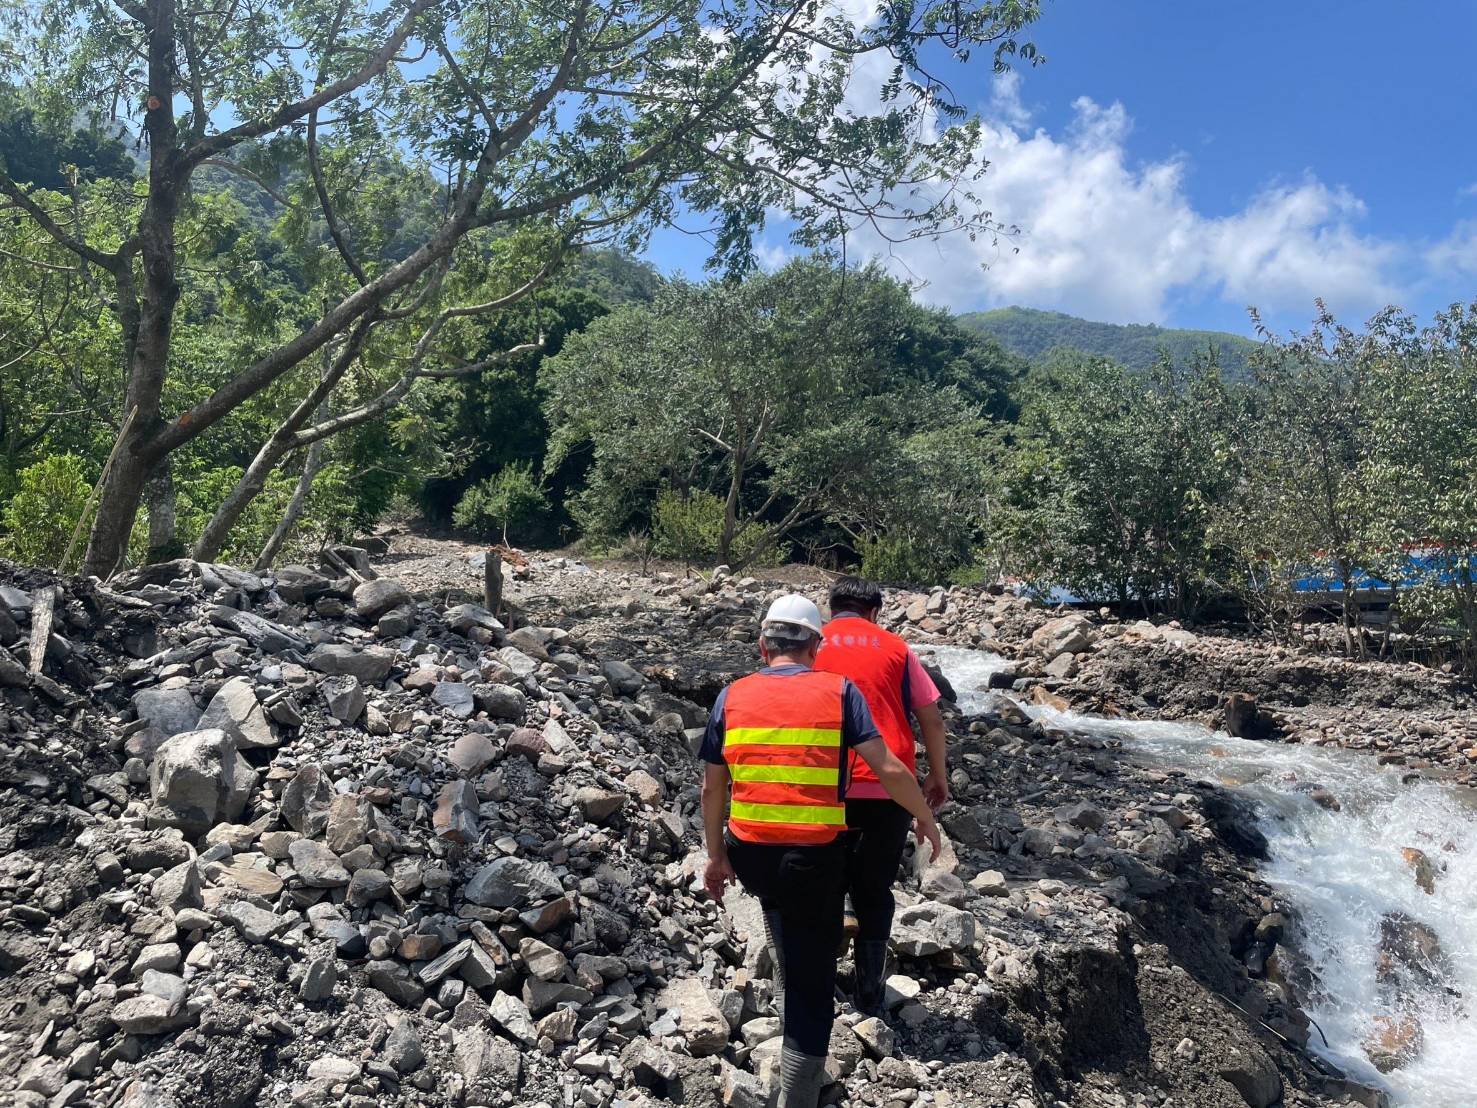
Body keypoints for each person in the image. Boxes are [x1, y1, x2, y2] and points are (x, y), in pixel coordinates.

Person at [700, 594, 941, 1108]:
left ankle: (789, 982)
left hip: (750, 854)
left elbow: (711, 790)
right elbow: (888, 768)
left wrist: (715, 856)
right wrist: (923, 814)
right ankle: (798, 1091)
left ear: (764, 645)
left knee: (780, 910)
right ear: (815, 645)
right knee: (815, 989)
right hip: (812, 856)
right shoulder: (840, 692)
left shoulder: (731, 695)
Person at [812, 575, 950, 1016]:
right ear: (875, 612)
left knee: (824, 872)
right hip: (888, 782)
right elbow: (931, 718)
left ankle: (821, 968)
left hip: (821, 780)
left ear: (832, 609)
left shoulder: (809, 644)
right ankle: (869, 989)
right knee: (875, 886)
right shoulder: (896, 648)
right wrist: (936, 776)